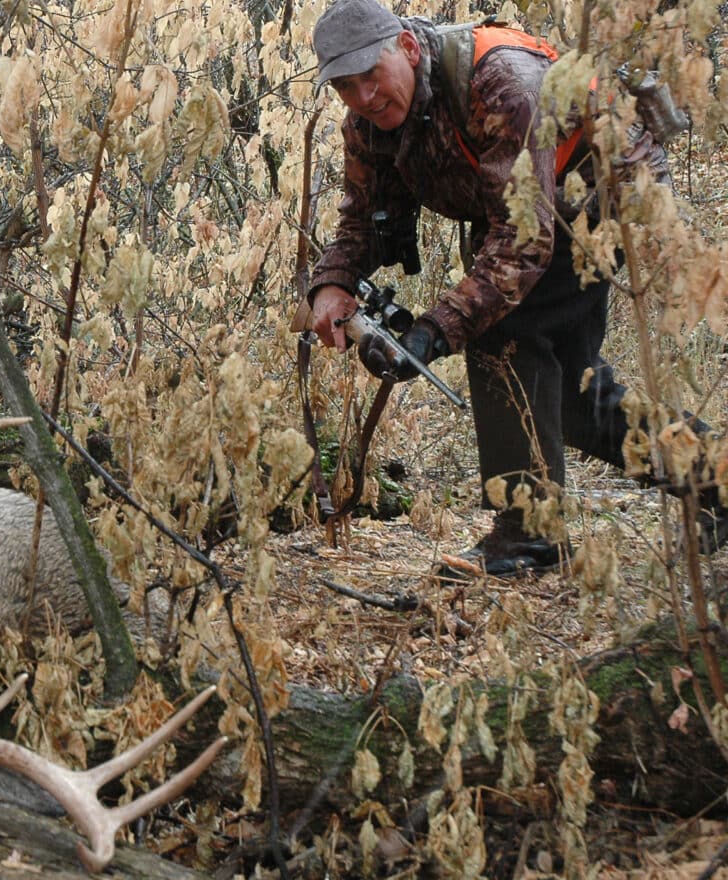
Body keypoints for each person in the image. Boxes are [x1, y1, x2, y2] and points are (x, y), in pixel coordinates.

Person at [305, 0, 715, 576]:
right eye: (346, 86)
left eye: (371, 75)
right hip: (522, 212)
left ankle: (528, 534)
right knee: (571, 399)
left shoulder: (505, 84)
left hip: (602, 195)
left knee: (504, 335)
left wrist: (432, 333)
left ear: (408, 49)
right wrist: (332, 285)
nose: (364, 96)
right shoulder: (369, 123)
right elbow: (364, 216)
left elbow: (524, 244)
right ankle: (716, 476)